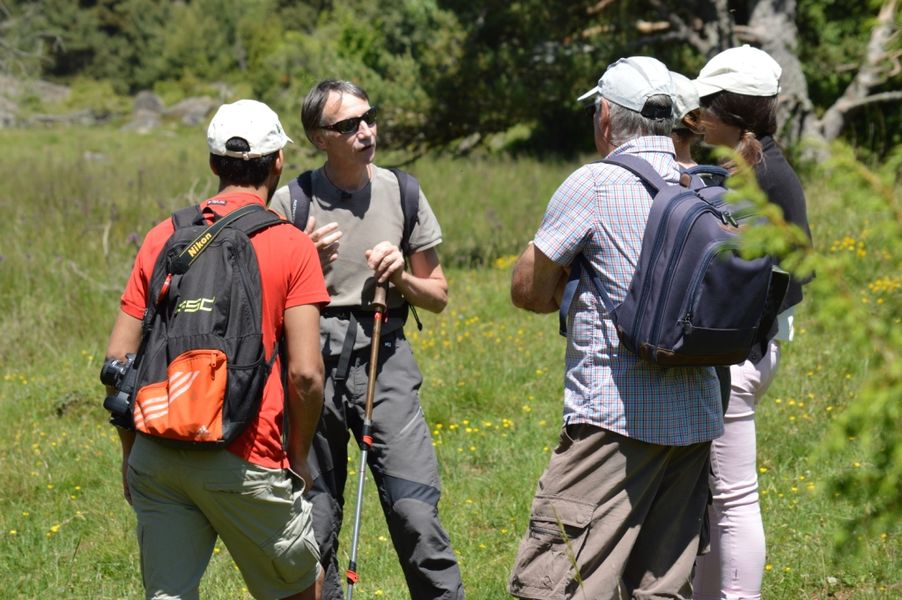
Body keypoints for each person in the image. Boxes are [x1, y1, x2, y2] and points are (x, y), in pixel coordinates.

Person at [508, 56, 724, 599]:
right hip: (696, 419)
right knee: (660, 589)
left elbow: (528, 290)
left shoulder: (595, 184)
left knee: (560, 582)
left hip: (613, 420)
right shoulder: (702, 186)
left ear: (606, 118)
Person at [103, 99, 329, 600]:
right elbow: (307, 375)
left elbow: (118, 365)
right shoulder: (293, 245)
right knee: (300, 591)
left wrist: (132, 453)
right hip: (247, 455)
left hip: (158, 454)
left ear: (212, 164)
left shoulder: (164, 236)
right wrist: (298, 454)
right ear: (277, 163)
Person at [269, 80, 464, 600]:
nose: (365, 131)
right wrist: (301, 261)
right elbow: (263, 301)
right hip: (310, 358)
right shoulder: (292, 200)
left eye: (369, 118)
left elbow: (438, 295)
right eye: (348, 125)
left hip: (386, 349)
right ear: (318, 137)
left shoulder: (404, 191)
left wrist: (401, 279)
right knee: (317, 514)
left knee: (414, 509)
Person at [690, 45, 813, 600]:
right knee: (719, 499)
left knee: (732, 498)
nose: (694, 118)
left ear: (728, 115)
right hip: (752, 349)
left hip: (738, 355)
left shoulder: (750, 177)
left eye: (702, 108)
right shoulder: (763, 166)